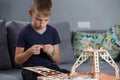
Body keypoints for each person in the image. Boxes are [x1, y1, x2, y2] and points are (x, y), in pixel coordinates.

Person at [15, 0, 69, 80]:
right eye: (38, 19)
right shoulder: (24, 32)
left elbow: (57, 59)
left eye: (46, 20)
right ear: (31, 13)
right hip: (30, 69)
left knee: (69, 75)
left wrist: (51, 53)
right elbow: (17, 60)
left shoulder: (53, 32)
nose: (42, 24)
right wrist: (29, 52)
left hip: (49, 67)